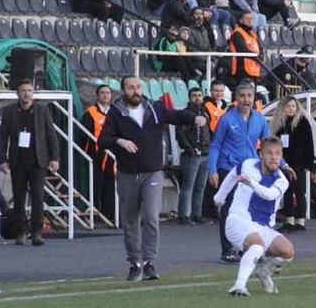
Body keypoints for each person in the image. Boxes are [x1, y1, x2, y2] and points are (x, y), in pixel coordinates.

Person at [98, 76, 206, 281]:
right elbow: (103, 139)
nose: (135, 91)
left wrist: (195, 118)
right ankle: (134, 262)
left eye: (138, 87)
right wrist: (120, 141)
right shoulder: (115, 112)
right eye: (130, 88)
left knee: (150, 217)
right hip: (127, 174)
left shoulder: (154, 108)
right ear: (123, 91)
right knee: (130, 220)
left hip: (153, 172)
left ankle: (149, 262)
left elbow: (176, 115)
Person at [208, 82, 297, 263]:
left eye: (249, 96)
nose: (246, 100)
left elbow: (269, 144)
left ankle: (247, 245)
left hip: (251, 169)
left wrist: (283, 164)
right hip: (229, 167)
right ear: (236, 98)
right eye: (242, 96)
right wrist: (212, 169)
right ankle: (228, 250)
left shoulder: (258, 119)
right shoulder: (226, 119)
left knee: (249, 208)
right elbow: (215, 145)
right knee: (229, 207)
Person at [214, 137, 295, 296]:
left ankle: (264, 272)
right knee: (256, 245)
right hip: (238, 220)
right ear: (261, 155)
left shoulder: (282, 180)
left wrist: (251, 183)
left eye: (278, 154)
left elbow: (269, 195)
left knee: (288, 251)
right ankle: (239, 286)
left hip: (263, 226)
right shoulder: (247, 164)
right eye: (269, 153)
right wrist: (219, 197)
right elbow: (233, 174)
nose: (274, 157)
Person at [0, 79, 60, 246]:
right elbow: (3, 137)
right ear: (17, 93)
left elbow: (50, 134)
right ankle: (20, 231)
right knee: (18, 198)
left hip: (38, 160)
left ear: (33, 93)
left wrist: (54, 158)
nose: (26, 93)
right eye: (23, 90)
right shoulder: (10, 111)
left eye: (29, 90)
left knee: (38, 197)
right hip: (17, 160)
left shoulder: (42, 110)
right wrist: (2, 159)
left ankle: (37, 232)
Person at [270, 96, 314, 232]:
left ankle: (300, 221)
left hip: (299, 162)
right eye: (288, 106)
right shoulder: (279, 124)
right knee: (286, 190)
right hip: (284, 161)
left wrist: (309, 163)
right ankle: (289, 219)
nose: (291, 109)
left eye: (293, 106)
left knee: (299, 190)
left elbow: (309, 143)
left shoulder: (302, 122)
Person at [176, 87, 212, 226]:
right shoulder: (185, 114)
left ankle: (197, 214)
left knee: (200, 186)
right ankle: (184, 215)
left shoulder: (205, 113)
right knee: (188, 186)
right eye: (194, 96)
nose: (197, 98)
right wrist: (189, 149)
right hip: (191, 155)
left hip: (205, 153)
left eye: (199, 95)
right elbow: (181, 134)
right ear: (189, 98)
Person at [80, 84, 116, 222]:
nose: (105, 95)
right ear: (97, 95)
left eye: (108, 93)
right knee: (95, 184)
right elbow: (83, 135)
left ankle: (110, 214)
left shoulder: (115, 112)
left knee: (110, 185)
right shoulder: (90, 112)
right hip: (96, 154)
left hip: (112, 154)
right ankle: (96, 214)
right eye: (102, 93)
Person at [228, 11, 262, 84]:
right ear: (241, 20)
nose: (250, 21)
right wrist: (257, 57)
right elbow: (242, 50)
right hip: (241, 69)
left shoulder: (253, 34)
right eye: (247, 19)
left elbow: (260, 48)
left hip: (254, 69)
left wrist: (261, 56)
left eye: (251, 19)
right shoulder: (237, 33)